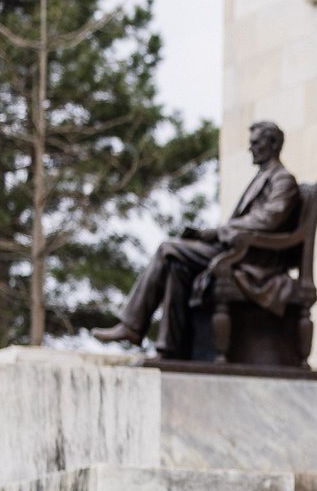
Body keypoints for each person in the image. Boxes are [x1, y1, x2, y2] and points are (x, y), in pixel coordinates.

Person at [94, 119, 300, 358]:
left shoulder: (282, 179)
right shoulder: (262, 178)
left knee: (167, 249)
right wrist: (211, 233)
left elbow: (270, 218)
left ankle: (131, 326)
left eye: (256, 143)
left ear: (273, 145)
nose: (250, 148)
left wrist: (219, 232)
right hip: (238, 249)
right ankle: (169, 348)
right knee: (177, 265)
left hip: (255, 259)